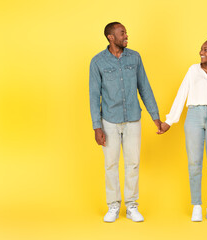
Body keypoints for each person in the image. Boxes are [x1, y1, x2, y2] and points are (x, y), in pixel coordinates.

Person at [89, 22, 161, 222]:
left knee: (133, 163)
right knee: (111, 164)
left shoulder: (135, 58)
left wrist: (155, 118)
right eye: (122, 33)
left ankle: (131, 206)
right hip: (109, 121)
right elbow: (94, 96)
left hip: (132, 120)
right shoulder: (97, 62)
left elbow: (144, 88)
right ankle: (113, 205)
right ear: (111, 37)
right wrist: (97, 127)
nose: (126, 35)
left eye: (126, 32)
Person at [159, 39, 207, 222]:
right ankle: (196, 206)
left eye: (206, 49)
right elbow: (181, 94)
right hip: (193, 116)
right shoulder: (193, 70)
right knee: (194, 162)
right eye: (201, 49)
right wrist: (169, 121)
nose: (201, 52)